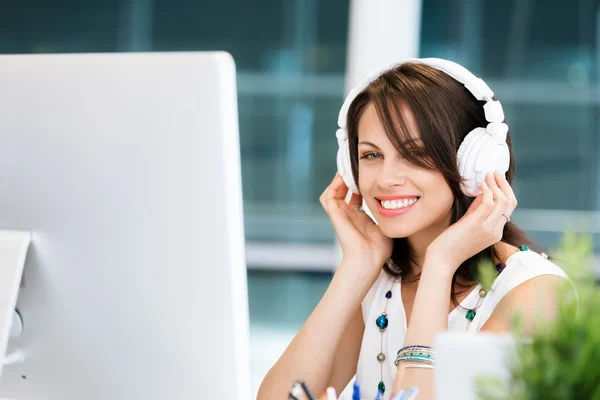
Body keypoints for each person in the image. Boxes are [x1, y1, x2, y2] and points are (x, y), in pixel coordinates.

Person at [257, 59, 569, 400]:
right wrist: (357, 265)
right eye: (371, 155)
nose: (386, 179)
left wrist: (440, 264)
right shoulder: (378, 281)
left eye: (415, 153)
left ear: (475, 165)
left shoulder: (536, 291)